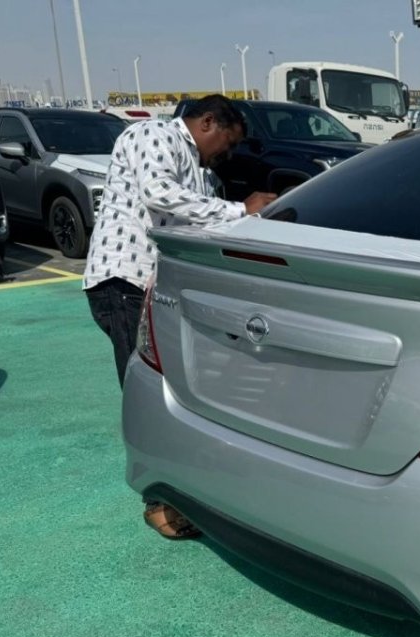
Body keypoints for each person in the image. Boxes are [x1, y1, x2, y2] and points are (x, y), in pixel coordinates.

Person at [82, 94, 277, 540]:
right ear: (207, 121)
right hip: (124, 282)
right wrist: (241, 209)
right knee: (150, 391)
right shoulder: (153, 133)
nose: (225, 154)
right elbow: (160, 195)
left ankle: (183, 487)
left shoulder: (198, 169)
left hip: (153, 290)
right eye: (226, 142)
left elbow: (196, 223)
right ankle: (159, 502)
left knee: (178, 386)